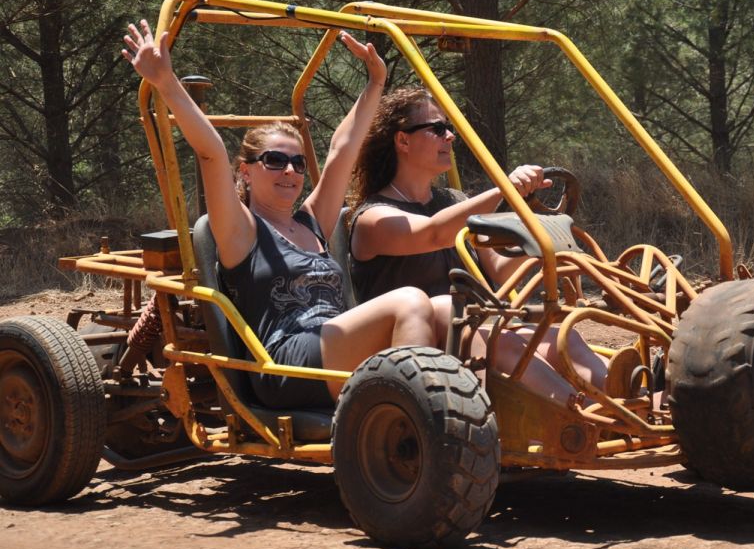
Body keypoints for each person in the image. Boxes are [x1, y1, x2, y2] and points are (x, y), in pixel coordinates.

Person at [123, 20, 435, 409]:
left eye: (298, 164)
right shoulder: (241, 231)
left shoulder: (311, 222)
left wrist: (375, 83)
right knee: (410, 300)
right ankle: (419, 424)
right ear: (246, 171)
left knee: (448, 310)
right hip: (285, 360)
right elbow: (211, 152)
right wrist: (166, 82)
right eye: (274, 161)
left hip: (334, 344)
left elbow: (341, 151)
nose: (290, 171)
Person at [348, 87, 615, 401]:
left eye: (450, 128)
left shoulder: (454, 202)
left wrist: (534, 229)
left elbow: (500, 270)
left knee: (561, 341)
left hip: (467, 328)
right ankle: (579, 418)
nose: (450, 137)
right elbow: (433, 234)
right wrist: (505, 189)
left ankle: (634, 405)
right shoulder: (372, 218)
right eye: (437, 129)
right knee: (504, 342)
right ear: (402, 140)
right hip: (408, 352)